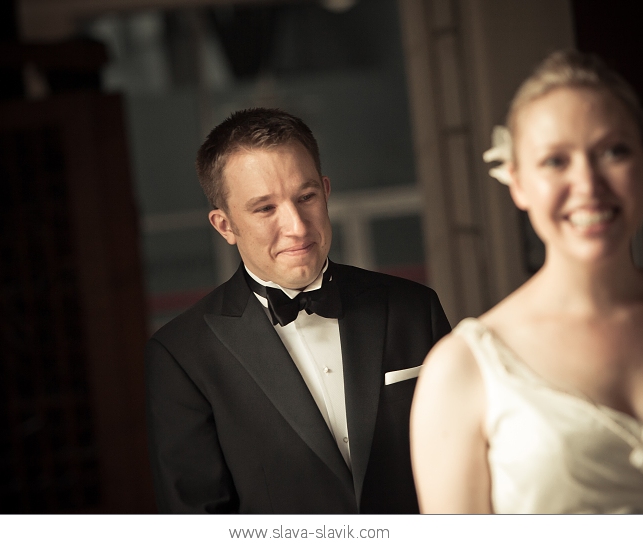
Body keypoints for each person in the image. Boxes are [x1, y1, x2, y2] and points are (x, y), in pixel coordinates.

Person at [410, 51, 643, 514]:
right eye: (555, 161)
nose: (587, 183)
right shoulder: (462, 369)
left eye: (613, 152)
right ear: (518, 183)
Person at [146, 108, 451, 513]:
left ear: (325, 191)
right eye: (265, 208)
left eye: (305, 197)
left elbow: (462, 462)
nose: (297, 226)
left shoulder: (414, 308)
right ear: (224, 226)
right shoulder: (180, 356)